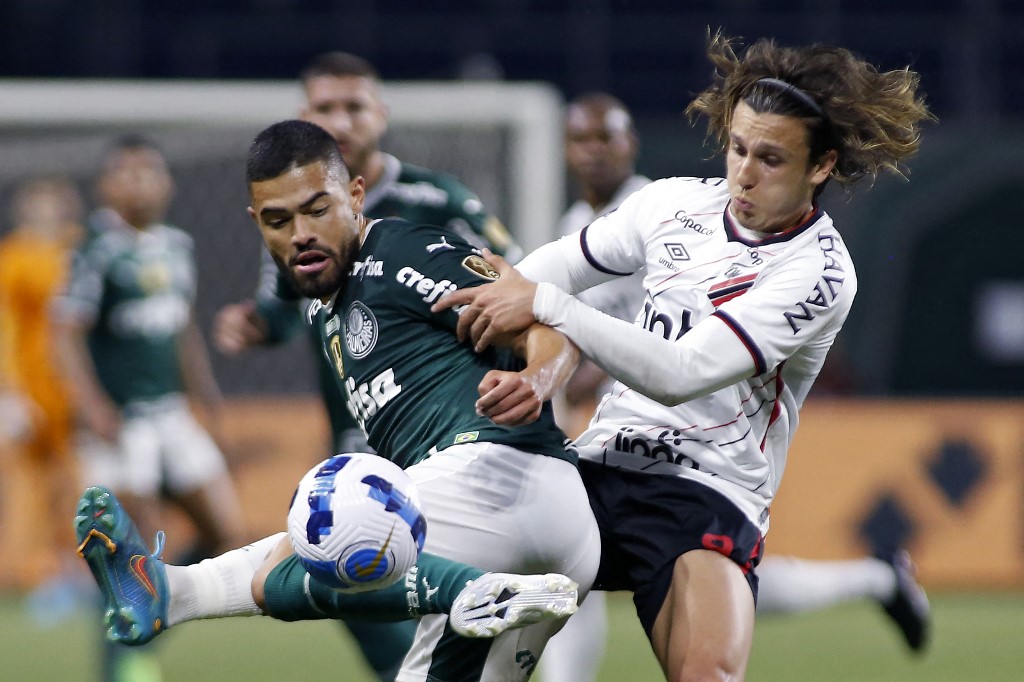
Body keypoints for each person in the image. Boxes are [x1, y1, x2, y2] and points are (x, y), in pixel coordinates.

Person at [434, 32, 935, 680]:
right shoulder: (671, 203)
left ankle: (877, 579)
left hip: (703, 489)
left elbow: (683, 372)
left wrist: (546, 305)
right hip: (598, 467)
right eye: (738, 148)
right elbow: (551, 267)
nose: (744, 173)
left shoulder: (820, 271)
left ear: (821, 167)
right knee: (463, 593)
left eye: (772, 159)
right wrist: (520, 318)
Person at [76, 119, 599, 682]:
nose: (300, 232)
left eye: (317, 210)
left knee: (335, 518)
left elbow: (543, 323)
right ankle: (173, 592)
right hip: (542, 542)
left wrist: (539, 378)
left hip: (499, 477)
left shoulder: (406, 249)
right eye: (279, 220)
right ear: (258, 224)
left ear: (354, 195)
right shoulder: (325, 308)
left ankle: (176, 591)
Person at [213, 54, 522, 678]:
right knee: (344, 565)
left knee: (399, 565)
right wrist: (253, 323)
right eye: (326, 108)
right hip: (358, 427)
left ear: (380, 115)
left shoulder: (436, 199)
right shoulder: (291, 218)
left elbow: (514, 280)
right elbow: (279, 307)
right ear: (307, 118)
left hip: (444, 424)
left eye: (354, 106)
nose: (343, 119)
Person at [53, 136, 249, 681]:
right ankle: (121, 664)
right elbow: (65, 331)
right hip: (123, 419)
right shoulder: (93, 247)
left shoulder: (175, 245)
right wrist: (90, 403)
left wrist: (205, 395)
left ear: (168, 183)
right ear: (106, 186)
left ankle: (153, 614)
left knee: (222, 527)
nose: (141, 182)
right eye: (128, 172)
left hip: (173, 415)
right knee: (127, 544)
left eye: (150, 171)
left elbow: (181, 326)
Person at [0, 175, 84, 603]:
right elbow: (8, 326)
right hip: (36, 387)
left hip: (79, 386)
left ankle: (82, 571)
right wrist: (10, 390)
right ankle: (38, 572)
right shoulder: (14, 257)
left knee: (80, 482)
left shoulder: (80, 250)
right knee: (36, 484)